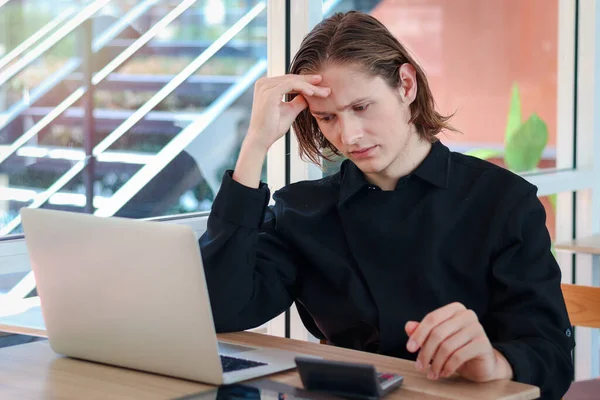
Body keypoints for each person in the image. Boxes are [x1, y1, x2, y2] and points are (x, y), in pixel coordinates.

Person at [199, 11, 574, 399]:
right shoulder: (303, 211)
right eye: (327, 117)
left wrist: (494, 362)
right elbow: (221, 309)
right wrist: (254, 145)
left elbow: (551, 357)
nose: (349, 136)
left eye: (362, 107)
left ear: (406, 85)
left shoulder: (502, 202)